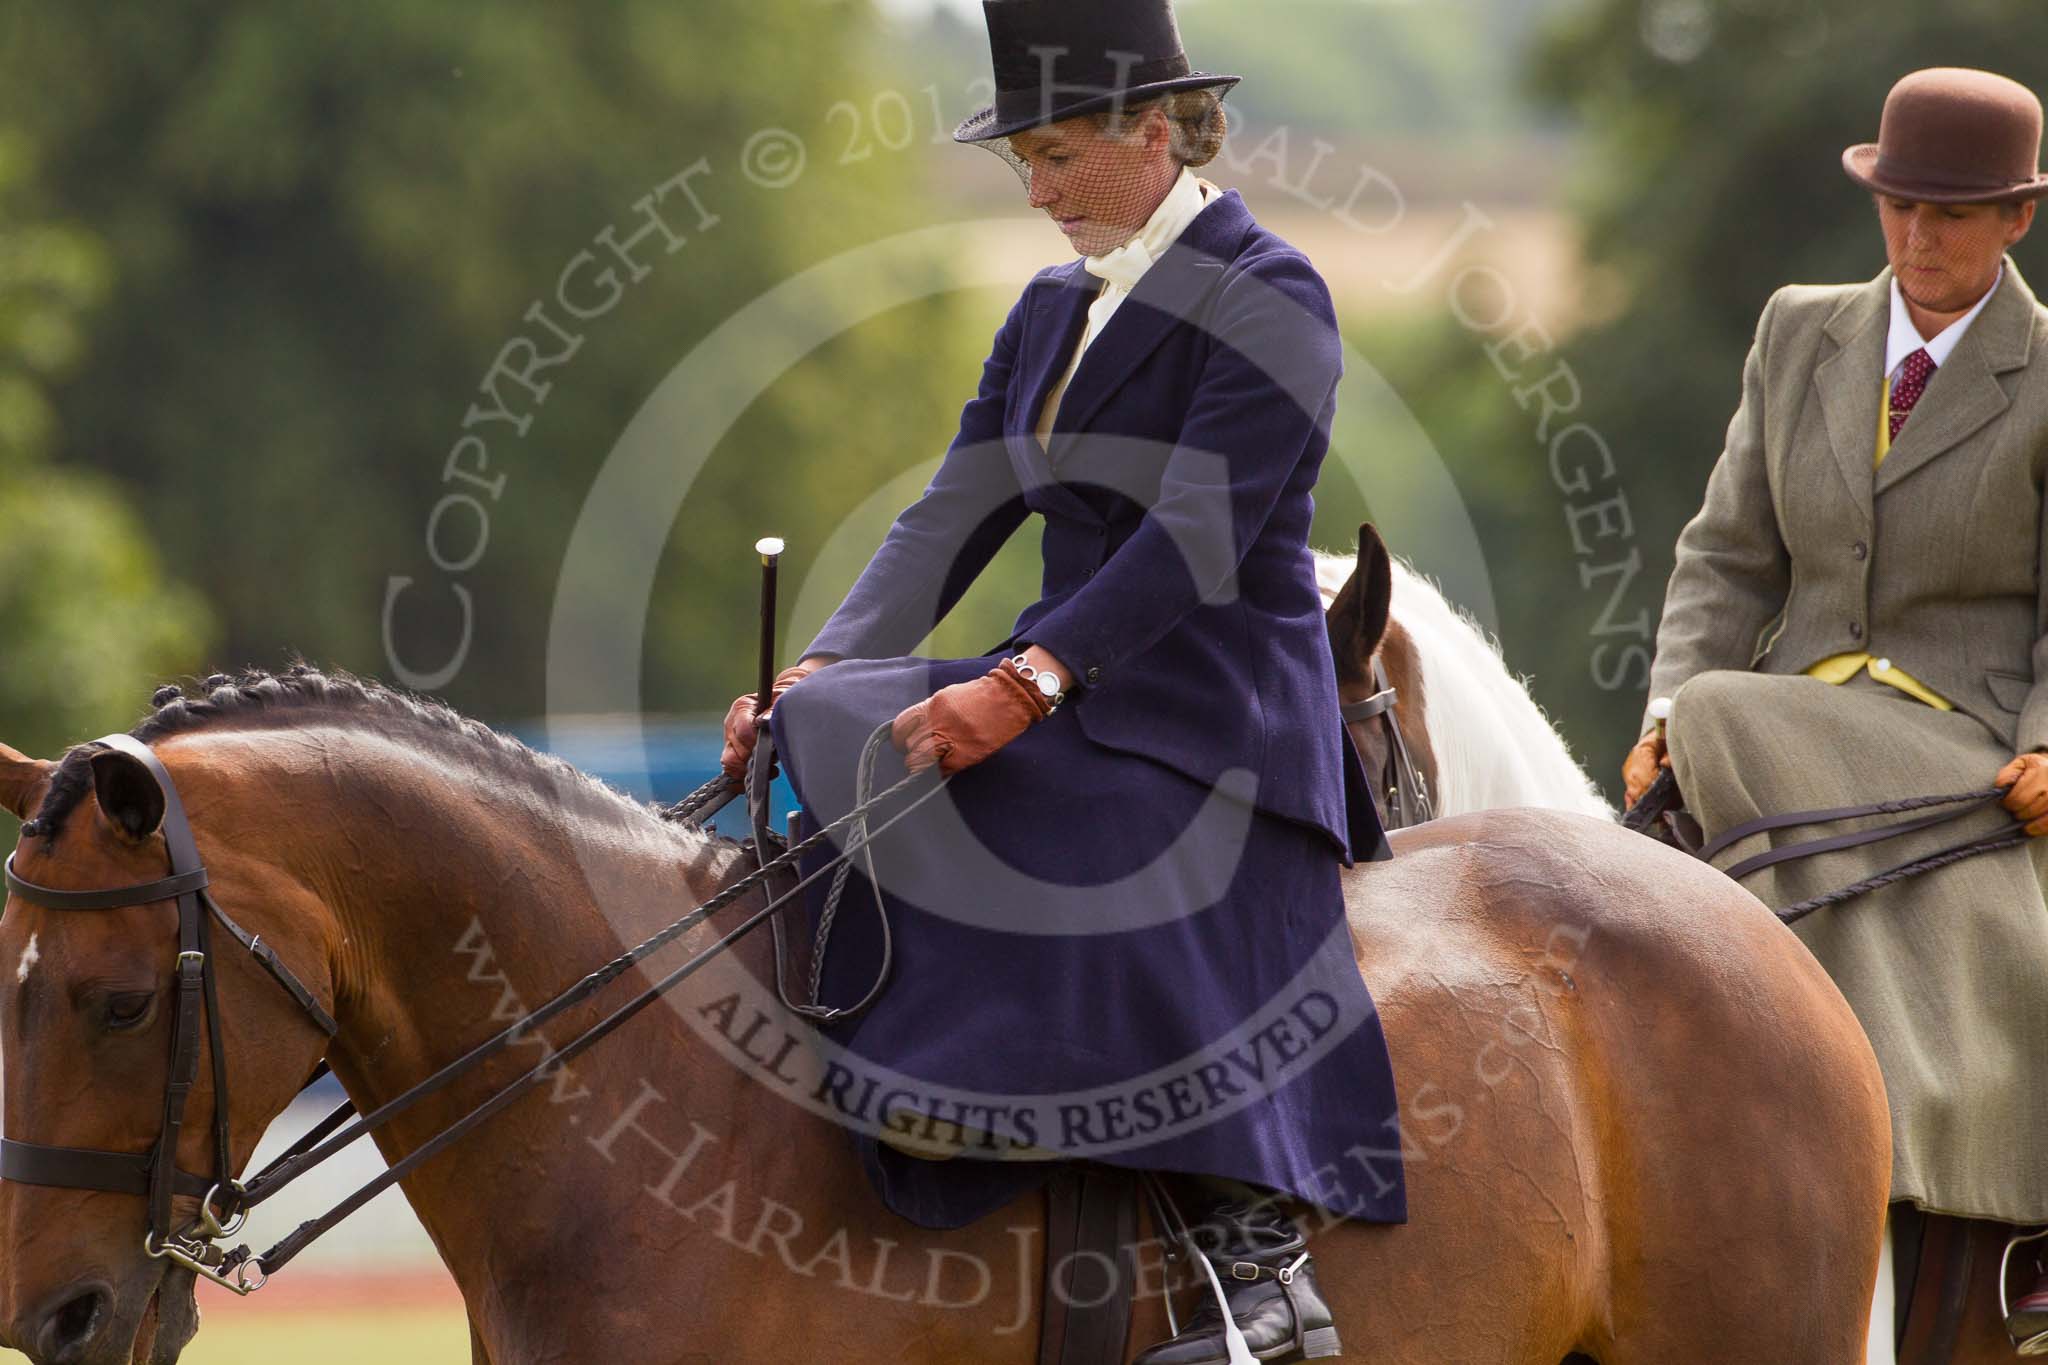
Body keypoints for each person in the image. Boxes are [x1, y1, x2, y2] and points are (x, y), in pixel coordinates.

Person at [719, 2, 1402, 1359]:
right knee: (850, 730)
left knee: (1083, 842)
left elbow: (1196, 535)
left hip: (1214, 711)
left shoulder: (1272, 289)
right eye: (1020, 163)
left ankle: (1256, 1264)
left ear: (1155, 131)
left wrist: (1028, 681)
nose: (1036, 193)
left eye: (1056, 156)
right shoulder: (1049, 309)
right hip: (1072, 676)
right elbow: (953, 511)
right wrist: (819, 663)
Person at [1625, 67, 2048, 1355]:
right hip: (1780, 732)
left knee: (1728, 721)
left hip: (1958, 747)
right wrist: (1658, 712)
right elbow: (1726, 561)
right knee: (1696, 754)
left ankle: (2017, 1230)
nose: (1921, 239)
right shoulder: (1797, 332)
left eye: (1956, 215)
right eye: (1902, 206)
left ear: (2017, 220)